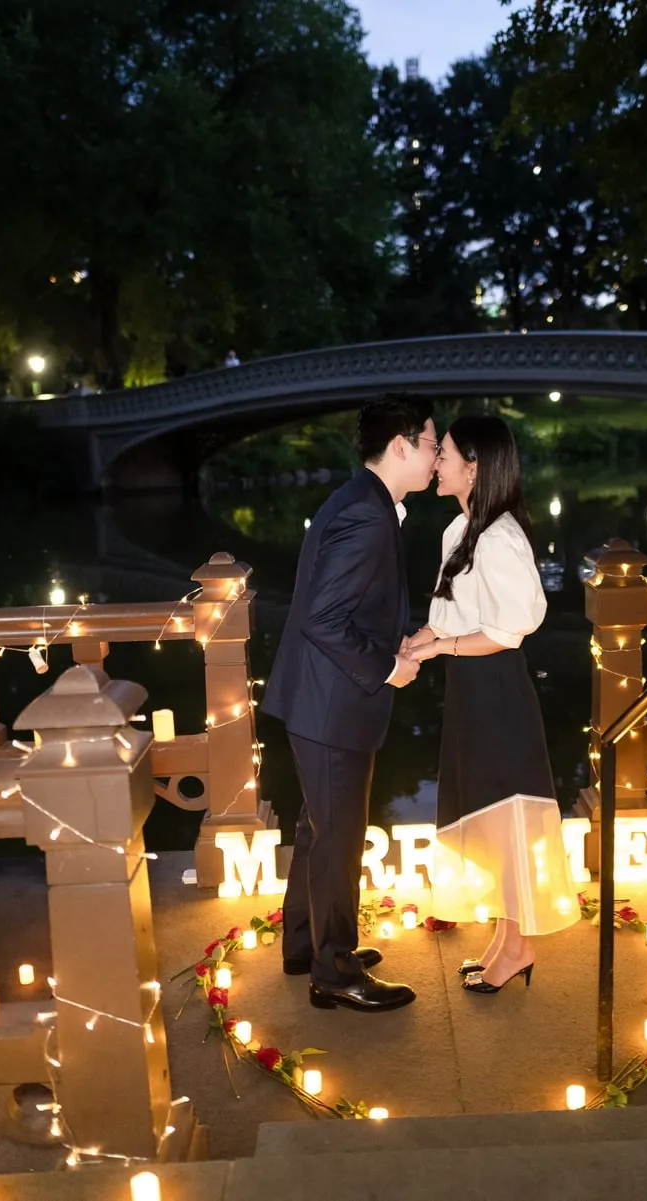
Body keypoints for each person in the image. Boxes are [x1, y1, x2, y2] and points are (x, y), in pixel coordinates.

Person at [262, 394, 439, 1012]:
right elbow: (322, 617)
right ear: (401, 446)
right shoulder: (367, 515)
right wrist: (389, 667)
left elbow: (343, 606)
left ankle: (306, 946)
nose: (438, 454)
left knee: (319, 826)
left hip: (319, 697)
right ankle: (334, 973)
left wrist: (396, 638)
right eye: (432, 443)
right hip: (333, 703)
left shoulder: (361, 499)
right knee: (338, 835)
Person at [404, 415, 575, 993]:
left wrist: (438, 648)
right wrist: (421, 640)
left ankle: (518, 946)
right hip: (469, 687)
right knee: (487, 809)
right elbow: (456, 614)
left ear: (473, 467)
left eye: (444, 453)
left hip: (496, 687)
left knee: (505, 814)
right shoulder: (460, 531)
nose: (435, 462)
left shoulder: (499, 537)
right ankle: (508, 938)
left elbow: (508, 631)